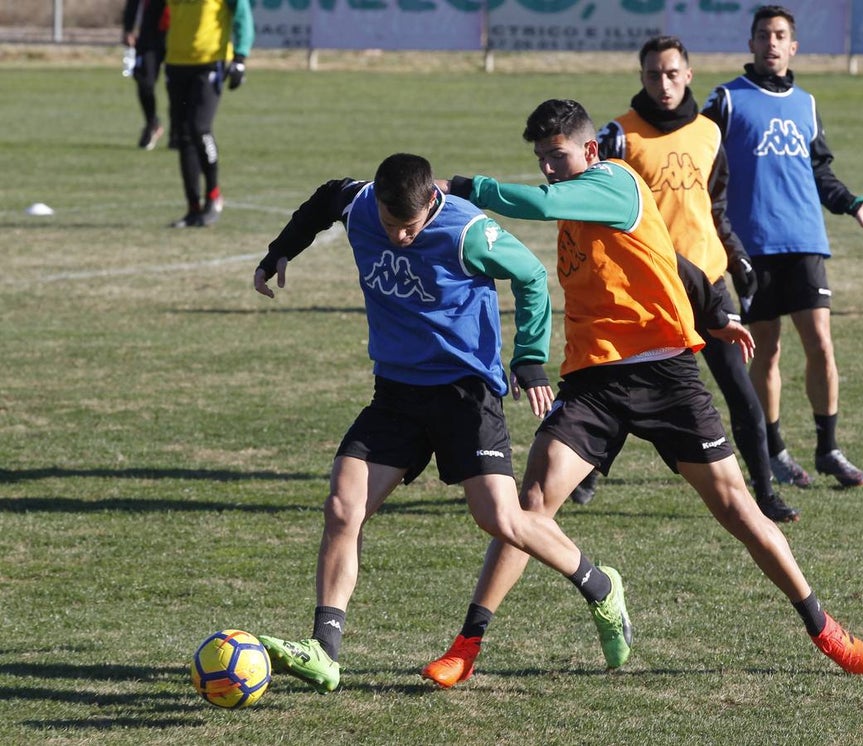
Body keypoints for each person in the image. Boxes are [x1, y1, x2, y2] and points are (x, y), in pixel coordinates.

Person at [421, 99, 863, 689]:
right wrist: (715, 308)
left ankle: (825, 629)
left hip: (667, 377)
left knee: (739, 510)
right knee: (528, 506)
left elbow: (539, 203)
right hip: (594, 381)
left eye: (557, 156)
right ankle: (467, 645)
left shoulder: (612, 181)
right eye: (540, 159)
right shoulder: (578, 202)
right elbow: (669, 255)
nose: (549, 169)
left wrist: (461, 185)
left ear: (590, 150)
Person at [251, 153, 632, 693]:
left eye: (409, 227)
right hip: (396, 394)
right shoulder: (360, 205)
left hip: (463, 394)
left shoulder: (466, 230)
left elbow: (529, 275)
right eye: (390, 225)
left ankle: (599, 586)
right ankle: (324, 650)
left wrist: (528, 356)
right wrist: (279, 252)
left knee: (501, 519)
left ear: (432, 201)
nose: (400, 237)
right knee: (343, 506)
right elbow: (324, 199)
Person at [586, 34, 799, 522]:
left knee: (741, 393)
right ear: (641, 77)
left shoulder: (708, 132)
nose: (664, 83)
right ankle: (587, 475)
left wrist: (737, 256)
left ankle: (764, 492)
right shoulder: (618, 136)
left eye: (672, 73)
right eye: (653, 74)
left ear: (688, 74)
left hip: (708, 286)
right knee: (616, 388)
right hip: (649, 291)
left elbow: (715, 206)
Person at [702, 5, 863, 490]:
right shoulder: (726, 100)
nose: (771, 42)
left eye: (780, 35)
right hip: (752, 245)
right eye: (763, 34)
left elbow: (820, 172)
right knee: (766, 350)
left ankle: (828, 448)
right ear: (750, 43)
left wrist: (856, 205)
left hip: (806, 240)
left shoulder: (806, 104)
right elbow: (694, 159)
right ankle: (775, 449)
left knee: (821, 346)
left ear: (793, 47)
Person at [164, 0, 253, 227]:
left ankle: (213, 196)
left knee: (199, 129)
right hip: (176, 62)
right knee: (183, 136)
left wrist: (240, 58)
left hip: (210, 62)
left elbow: (242, 14)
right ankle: (193, 208)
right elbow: (154, 16)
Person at [121, 0, 168, 150]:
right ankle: (152, 122)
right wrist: (128, 28)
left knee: (178, 84)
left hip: (178, 32)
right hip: (150, 33)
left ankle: (180, 132)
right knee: (144, 81)